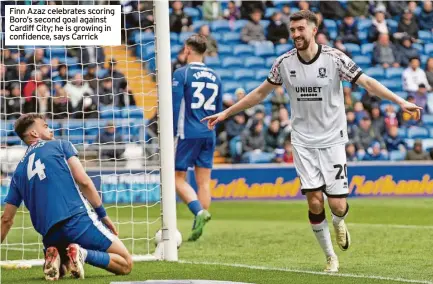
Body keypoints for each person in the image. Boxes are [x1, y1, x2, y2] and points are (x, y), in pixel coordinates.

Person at [202, 10, 422, 273]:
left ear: (314, 30)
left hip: (333, 140)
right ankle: (330, 257)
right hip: (303, 142)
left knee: (337, 205)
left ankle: (340, 222)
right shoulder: (284, 63)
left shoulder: (335, 58)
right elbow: (260, 93)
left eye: (300, 29)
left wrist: (400, 102)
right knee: (315, 201)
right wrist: (227, 112)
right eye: (292, 30)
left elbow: (367, 83)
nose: (295, 34)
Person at [0, 114, 133, 280]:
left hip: (50, 233)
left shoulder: (18, 173)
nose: (51, 129)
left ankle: (56, 257)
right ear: (34, 133)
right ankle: (82, 253)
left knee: (63, 269)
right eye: (46, 126)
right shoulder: (60, 145)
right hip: (77, 219)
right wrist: (103, 215)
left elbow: (6, 219)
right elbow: (84, 181)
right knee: (126, 263)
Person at [172, 35, 222, 242]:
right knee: (204, 182)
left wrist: (171, 132)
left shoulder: (181, 73)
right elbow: (219, 110)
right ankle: (199, 222)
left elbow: (174, 106)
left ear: (187, 50)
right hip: (209, 132)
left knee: (175, 178)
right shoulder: (216, 76)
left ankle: (199, 213)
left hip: (187, 132)